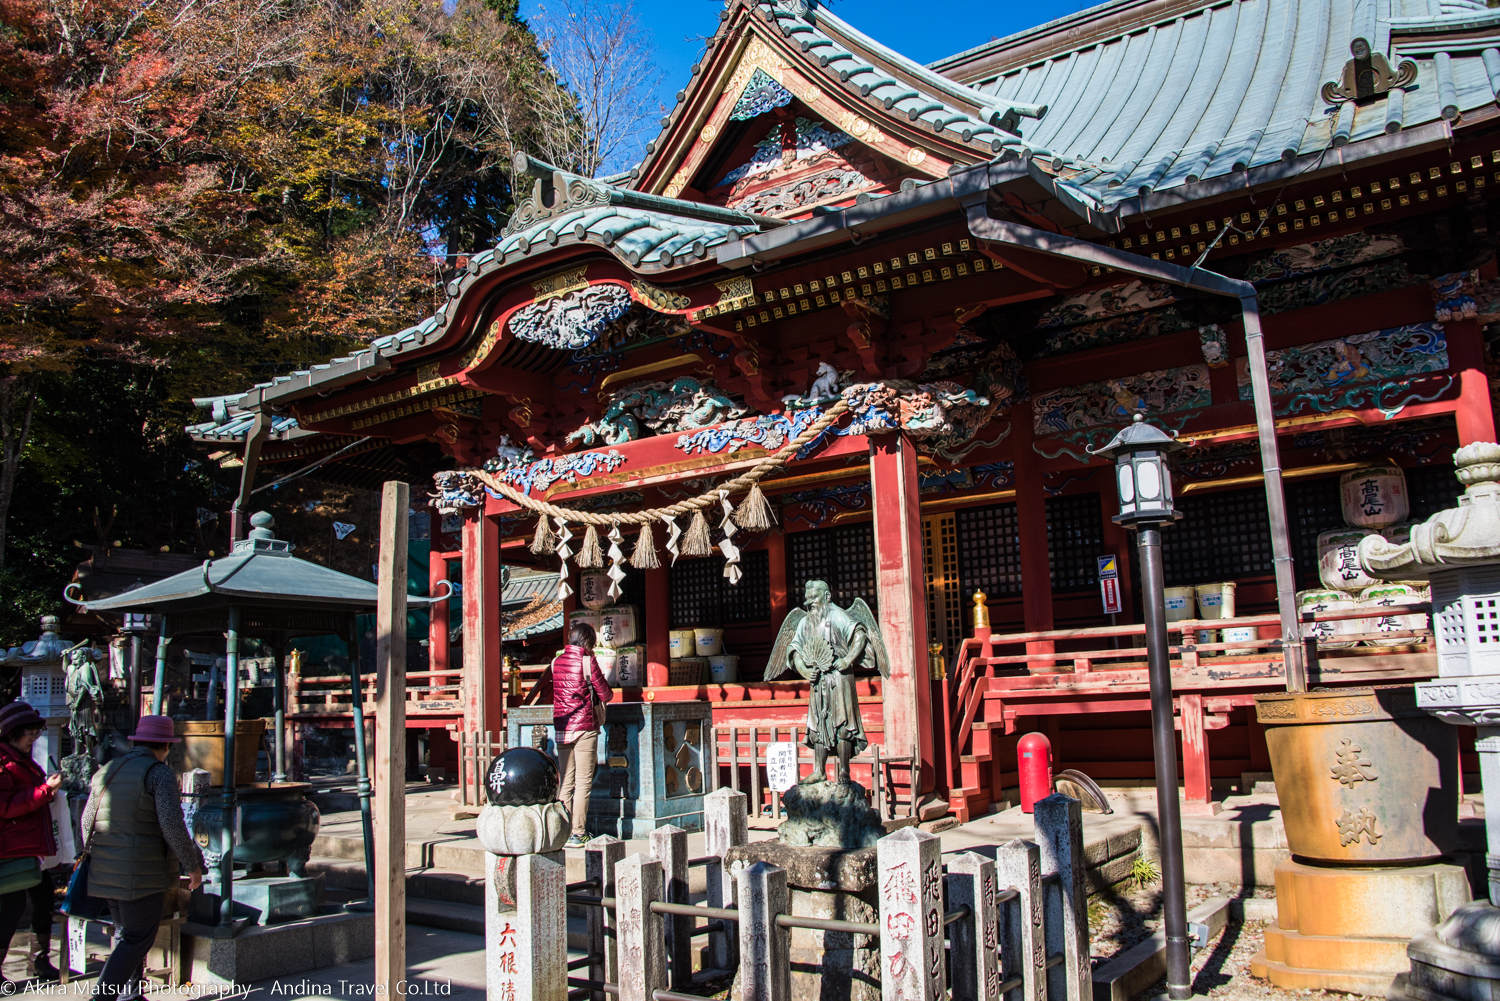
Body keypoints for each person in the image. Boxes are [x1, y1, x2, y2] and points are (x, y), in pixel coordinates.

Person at [81, 715, 204, 999]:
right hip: (142, 873)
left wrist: (96, 856)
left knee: (125, 935)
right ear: (166, 746)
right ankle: (103, 997)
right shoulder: (159, 773)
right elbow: (172, 826)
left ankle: (131, 994)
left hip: (105, 869)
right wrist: (192, 865)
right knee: (137, 938)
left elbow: (86, 823)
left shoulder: (107, 770)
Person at [0, 700, 62, 986]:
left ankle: (40, 959)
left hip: (28, 848)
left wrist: (47, 789)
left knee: (44, 899)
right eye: (30, 734)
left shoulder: (22, 760)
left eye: (37, 734)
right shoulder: (4, 762)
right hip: (10, 850)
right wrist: (45, 790)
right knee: (12, 906)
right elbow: (6, 807)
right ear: (12, 732)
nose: (33, 739)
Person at [550, 621, 612, 849]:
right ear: (588, 641)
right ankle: (578, 832)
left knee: (566, 782)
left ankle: (562, 831)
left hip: (562, 727)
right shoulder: (587, 661)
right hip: (584, 727)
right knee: (583, 782)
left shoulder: (556, 662)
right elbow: (606, 694)